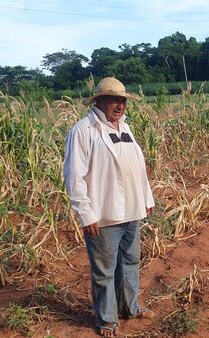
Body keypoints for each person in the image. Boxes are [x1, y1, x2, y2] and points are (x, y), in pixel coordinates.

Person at [63, 77, 155, 337]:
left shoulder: (125, 128)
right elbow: (74, 176)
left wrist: (146, 199)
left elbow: (139, 167)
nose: (120, 105)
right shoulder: (83, 130)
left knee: (130, 262)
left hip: (132, 211)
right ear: (99, 101)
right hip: (103, 215)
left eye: (123, 100)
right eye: (114, 99)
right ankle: (106, 320)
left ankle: (130, 308)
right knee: (104, 271)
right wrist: (85, 214)